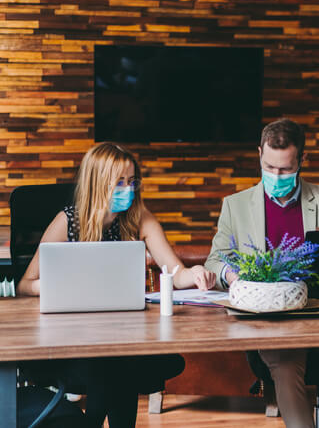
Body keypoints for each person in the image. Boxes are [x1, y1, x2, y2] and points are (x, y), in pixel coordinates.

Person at [17, 142, 216, 427]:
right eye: (120, 182)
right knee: (117, 366)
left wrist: (195, 272)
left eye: (133, 181)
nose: (129, 189)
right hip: (74, 339)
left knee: (118, 362)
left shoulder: (139, 218)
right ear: (97, 184)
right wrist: (58, 287)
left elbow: (176, 272)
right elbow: (26, 284)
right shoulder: (68, 221)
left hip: (125, 336)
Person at [205, 118, 319, 428]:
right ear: (259, 154)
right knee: (285, 362)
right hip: (270, 319)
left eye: (284, 170)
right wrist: (231, 275)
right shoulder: (235, 206)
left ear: (302, 160)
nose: (275, 176)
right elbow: (214, 260)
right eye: (269, 168)